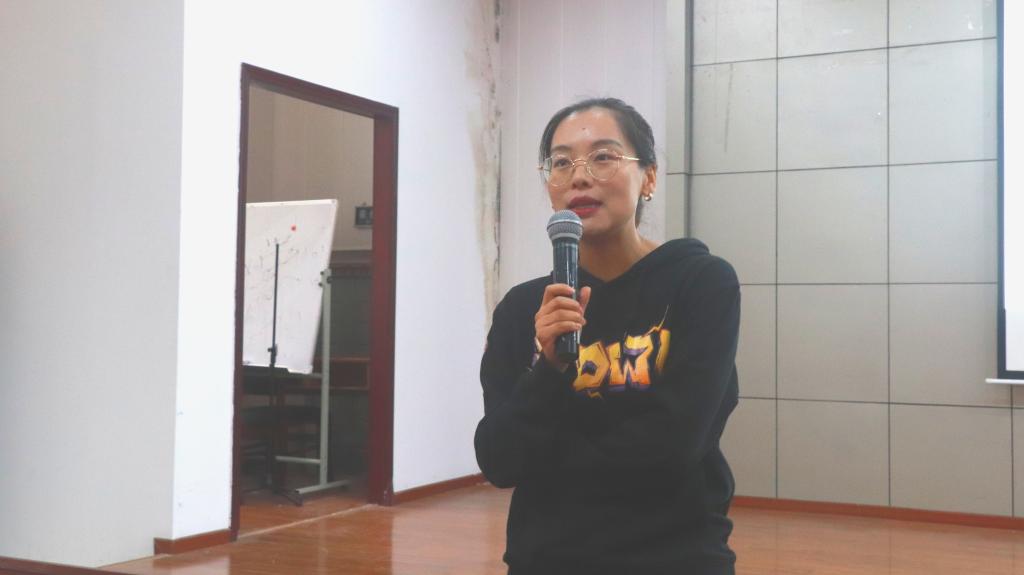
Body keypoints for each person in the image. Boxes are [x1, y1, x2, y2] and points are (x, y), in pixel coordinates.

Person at [474, 97, 741, 575]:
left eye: (603, 156)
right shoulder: (522, 309)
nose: (579, 177)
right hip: (547, 559)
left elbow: (676, 445)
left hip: (674, 557)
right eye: (561, 163)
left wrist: (551, 461)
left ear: (649, 178)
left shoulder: (700, 283)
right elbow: (499, 459)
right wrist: (549, 368)